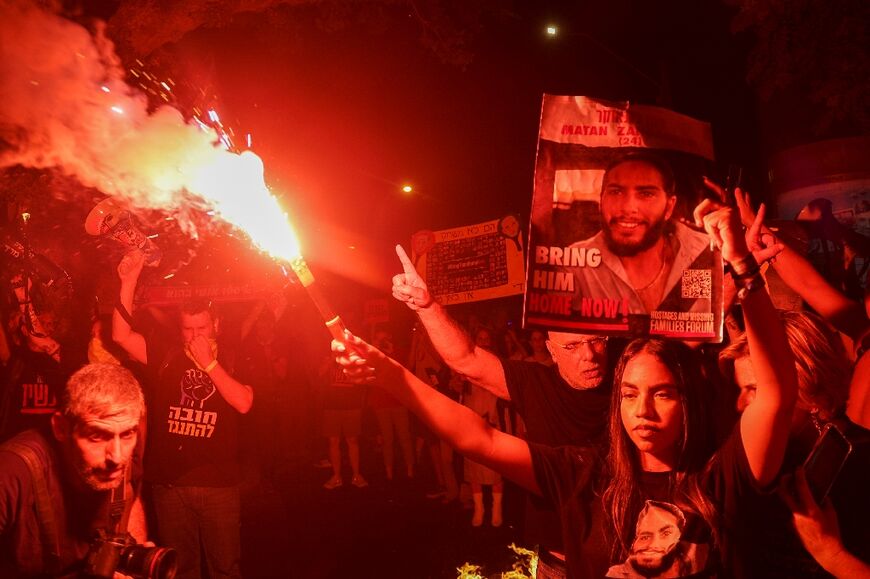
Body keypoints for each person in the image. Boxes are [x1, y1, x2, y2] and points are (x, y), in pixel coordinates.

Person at [345, 198, 797, 577]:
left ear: (685, 400)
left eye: (661, 393)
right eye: (630, 394)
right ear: (551, 346)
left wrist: (741, 270)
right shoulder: (585, 476)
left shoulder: (716, 481)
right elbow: (475, 435)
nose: (642, 409)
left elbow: (775, 394)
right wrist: (389, 369)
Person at [393, 244, 612, 572]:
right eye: (572, 346)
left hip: (623, 549)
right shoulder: (534, 382)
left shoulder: (630, 378)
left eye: (596, 340)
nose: (589, 356)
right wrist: (427, 306)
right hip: (557, 554)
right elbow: (466, 358)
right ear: (551, 350)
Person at [112, 249, 252, 579]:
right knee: (180, 569)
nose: (194, 336)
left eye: (202, 327)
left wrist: (210, 364)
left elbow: (243, 402)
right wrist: (129, 280)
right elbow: (120, 336)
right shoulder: (166, 355)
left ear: (216, 323)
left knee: (224, 567)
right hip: (170, 485)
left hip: (218, 485)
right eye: (188, 329)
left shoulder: (235, 356)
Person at [719, 309, 870, 576]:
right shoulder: (759, 460)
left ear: (810, 389)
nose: (740, 405)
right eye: (740, 390)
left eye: (755, 390)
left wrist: (831, 554)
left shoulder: (861, 462)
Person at [0, 363, 148, 578]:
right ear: (61, 428)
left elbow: (129, 494)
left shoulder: (119, 458)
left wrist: (131, 560)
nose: (117, 457)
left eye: (127, 434)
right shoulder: (12, 470)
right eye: (97, 436)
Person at [566, 152, 711, 314]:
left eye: (646, 194)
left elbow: (698, 328)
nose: (628, 208)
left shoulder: (703, 251)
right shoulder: (573, 266)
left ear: (669, 207)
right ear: (601, 201)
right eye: (616, 192)